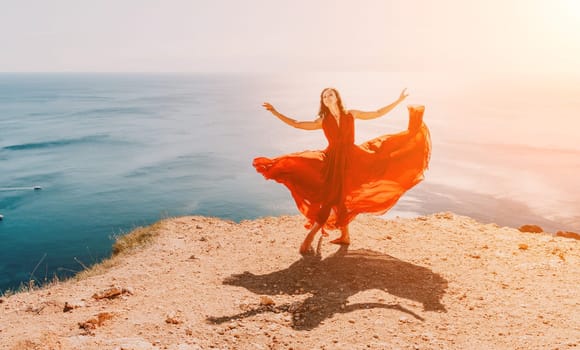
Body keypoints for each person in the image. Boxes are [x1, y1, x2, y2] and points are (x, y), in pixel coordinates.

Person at [253, 87, 431, 255]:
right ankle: (342, 236)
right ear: (323, 102)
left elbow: (376, 113)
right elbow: (297, 124)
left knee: (339, 195)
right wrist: (275, 112)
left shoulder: (350, 114)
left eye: (330, 94)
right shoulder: (323, 121)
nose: (327, 97)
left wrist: (397, 100)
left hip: (351, 160)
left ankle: (313, 236)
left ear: (337, 98)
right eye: (324, 96)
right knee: (333, 195)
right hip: (331, 161)